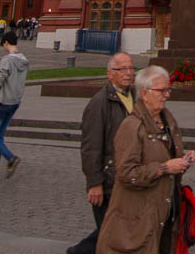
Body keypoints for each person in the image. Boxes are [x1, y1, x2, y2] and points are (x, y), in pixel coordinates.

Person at [96, 65, 195, 254]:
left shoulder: (168, 120)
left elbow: (167, 155)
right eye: (162, 90)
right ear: (145, 93)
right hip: (139, 217)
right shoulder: (132, 126)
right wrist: (164, 168)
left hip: (164, 212)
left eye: (168, 89)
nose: (167, 95)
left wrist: (182, 162)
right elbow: (126, 173)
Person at [67, 52, 137, 254]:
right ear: (110, 74)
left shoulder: (135, 97)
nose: (128, 73)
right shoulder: (99, 103)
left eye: (131, 68)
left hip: (126, 177)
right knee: (112, 230)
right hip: (108, 181)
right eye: (122, 69)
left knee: (115, 229)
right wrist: (94, 183)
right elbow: (91, 146)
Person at [0, 30, 29, 181]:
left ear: (6, 43)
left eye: (3, 44)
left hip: (3, 102)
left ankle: (11, 158)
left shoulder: (7, 60)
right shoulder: (24, 60)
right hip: (15, 102)